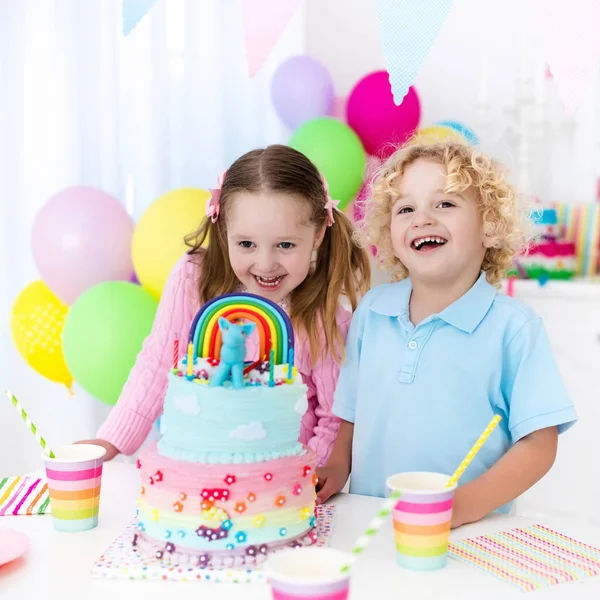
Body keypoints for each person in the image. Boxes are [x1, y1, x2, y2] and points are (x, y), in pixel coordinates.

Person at [316, 141, 577, 527]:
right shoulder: (372, 311)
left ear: (489, 227)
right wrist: (337, 467)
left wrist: (467, 504)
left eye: (445, 204)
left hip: (471, 532)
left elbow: (539, 444)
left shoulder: (513, 328)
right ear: (390, 236)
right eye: (406, 209)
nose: (422, 219)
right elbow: (351, 413)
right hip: (372, 522)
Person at [78, 144, 371, 467]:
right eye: (246, 244)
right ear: (223, 229)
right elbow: (159, 361)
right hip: (197, 479)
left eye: (285, 245)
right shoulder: (194, 279)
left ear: (316, 236)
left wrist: (302, 479)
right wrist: (112, 439)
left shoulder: (326, 315)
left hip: (280, 493)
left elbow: (333, 417)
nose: (265, 263)